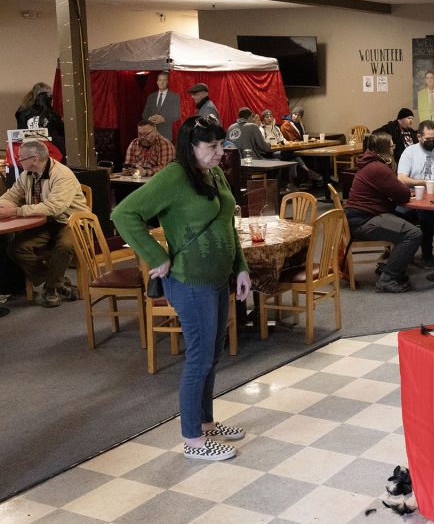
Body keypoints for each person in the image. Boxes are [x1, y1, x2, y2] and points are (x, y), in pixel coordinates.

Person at [111, 116, 251, 461]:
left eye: (222, 145)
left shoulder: (213, 172)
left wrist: (241, 267)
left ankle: (206, 423)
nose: (221, 152)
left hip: (217, 278)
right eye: (212, 147)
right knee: (199, 359)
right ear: (191, 147)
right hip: (190, 282)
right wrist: (154, 255)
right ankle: (193, 440)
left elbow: (226, 223)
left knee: (212, 357)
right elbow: (124, 214)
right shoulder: (174, 176)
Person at [0, 139, 88, 307]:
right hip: (46, 223)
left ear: (34, 159)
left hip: (70, 221)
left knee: (64, 246)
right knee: (16, 248)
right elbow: (11, 196)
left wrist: (16, 211)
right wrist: (2, 205)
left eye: (21, 159)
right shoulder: (27, 175)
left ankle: (50, 288)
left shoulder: (62, 175)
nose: (18, 161)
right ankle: (56, 283)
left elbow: (54, 207)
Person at [344, 132, 422, 293]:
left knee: (406, 219)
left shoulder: (370, 164)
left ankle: (390, 265)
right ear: (384, 148)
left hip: (359, 216)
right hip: (363, 221)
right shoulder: (378, 168)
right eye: (391, 145)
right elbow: (403, 194)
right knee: (413, 233)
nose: (394, 147)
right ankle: (388, 278)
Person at [397, 120, 434, 268]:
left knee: (428, 215)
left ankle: (432, 254)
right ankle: (409, 254)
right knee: (407, 214)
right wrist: (423, 182)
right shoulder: (410, 152)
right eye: (428, 139)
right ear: (419, 137)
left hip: (433, 200)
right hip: (412, 199)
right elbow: (401, 178)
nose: (432, 142)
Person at [19, 88, 66, 154]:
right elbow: (62, 131)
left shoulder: (27, 113)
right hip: (50, 147)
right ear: (50, 102)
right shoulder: (52, 115)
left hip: (30, 146)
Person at [142, 71, 181, 141]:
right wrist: (150, 118)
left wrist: (164, 119)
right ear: (157, 82)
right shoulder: (151, 97)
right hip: (151, 135)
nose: (162, 82)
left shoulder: (174, 96)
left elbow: (177, 115)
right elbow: (144, 114)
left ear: (168, 82)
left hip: (166, 136)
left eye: (164, 80)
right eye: (160, 80)